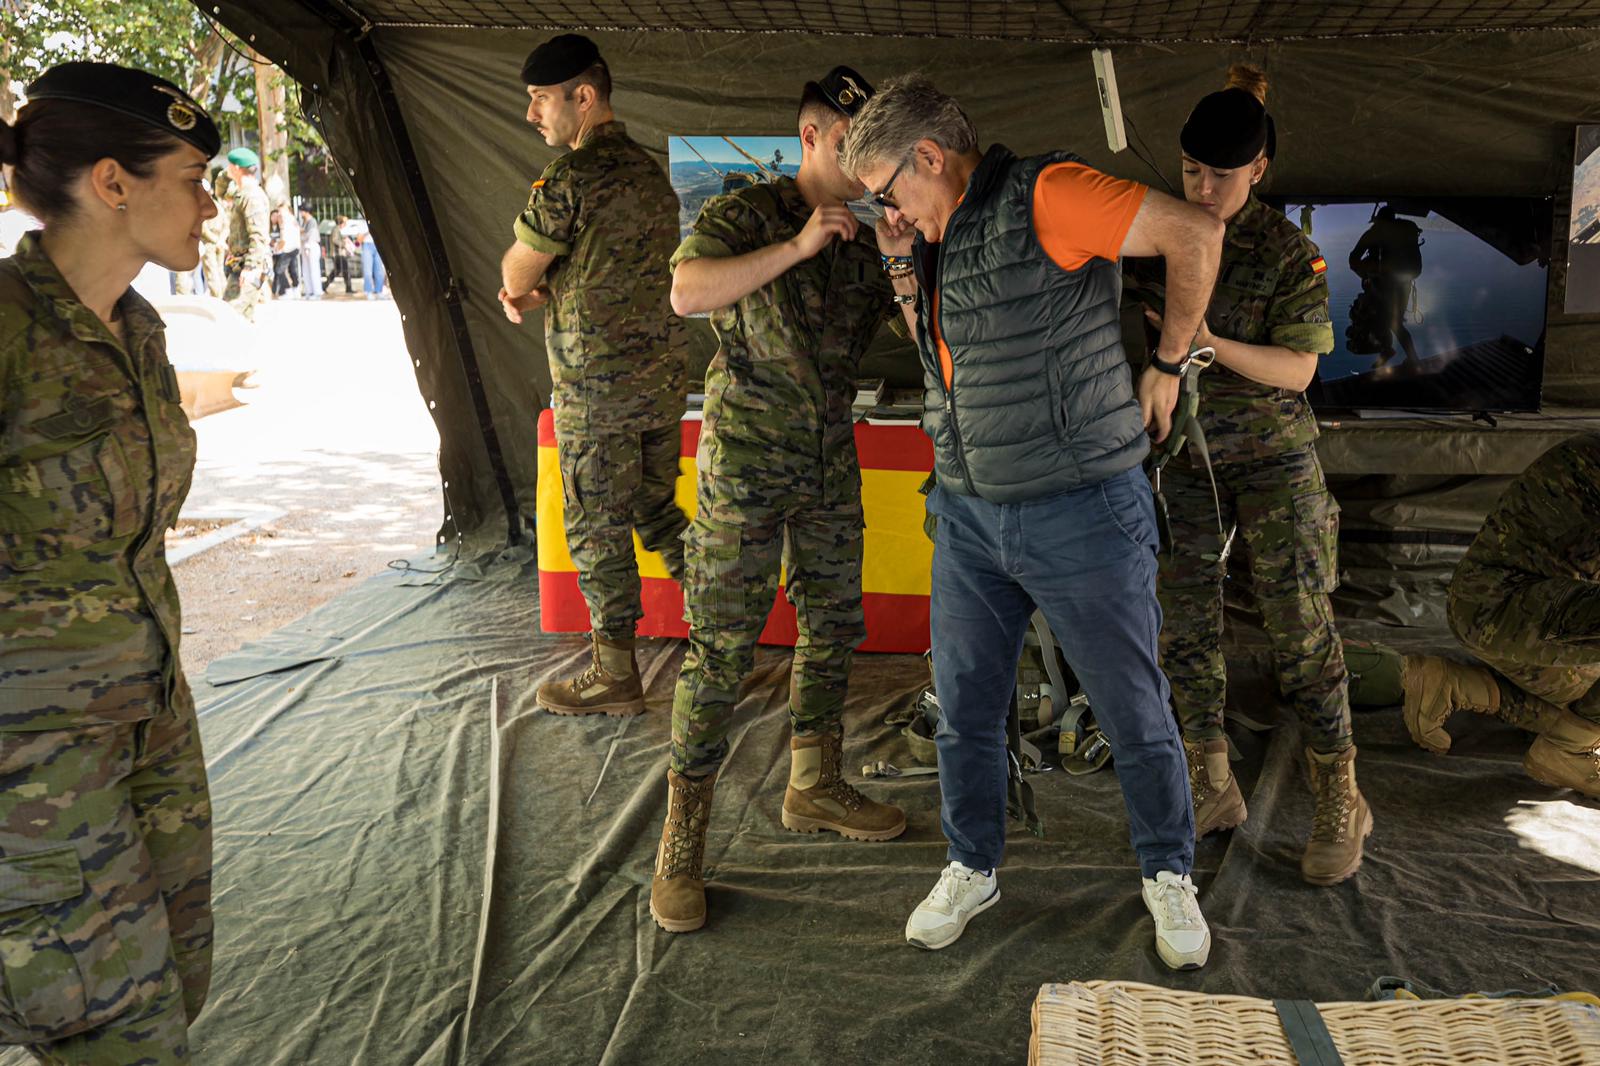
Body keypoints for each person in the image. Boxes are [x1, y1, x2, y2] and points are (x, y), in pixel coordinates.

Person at [842, 74, 1222, 968]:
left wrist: (1168, 362)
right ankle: (973, 861)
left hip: (1081, 506)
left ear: (929, 156)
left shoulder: (1048, 194)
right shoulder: (940, 234)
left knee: (1131, 706)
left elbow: (1195, 234)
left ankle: (1168, 873)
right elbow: (944, 354)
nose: (885, 208)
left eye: (889, 191)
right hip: (970, 512)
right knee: (966, 708)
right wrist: (903, 258)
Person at [647, 66, 906, 937]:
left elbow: (924, 333)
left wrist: (907, 258)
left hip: (829, 460)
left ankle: (813, 782)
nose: (862, 157)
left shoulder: (873, 240)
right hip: (746, 465)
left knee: (834, 625)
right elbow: (686, 293)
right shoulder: (746, 214)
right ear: (810, 135)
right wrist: (797, 246)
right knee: (720, 648)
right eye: (848, 139)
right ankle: (683, 837)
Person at [0, 61, 218, 1065]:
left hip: (151, 723)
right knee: (113, 1030)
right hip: (36, 771)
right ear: (112, 181)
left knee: (180, 976)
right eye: (191, 174)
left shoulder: (138, 330)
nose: (211, 204)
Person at [1122, 65, 1372, 886]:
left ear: (1258, 170)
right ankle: (1211, 780)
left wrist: (1204, 345)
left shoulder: (1285, 253)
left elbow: (1299, 370)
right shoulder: (1159, 232)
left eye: (1220, 175)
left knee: (1301, 629)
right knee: (1184, 625)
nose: (1201, 188)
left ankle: (1340, 792)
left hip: (1272, 461)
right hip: (1188, 460)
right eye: (1191, 170)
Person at [499, 34, 689, 719]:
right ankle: (723, 625)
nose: (533, 116)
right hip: (659, 385)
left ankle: (614, 673)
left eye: (542, 100)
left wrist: (521, 288)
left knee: (598, 527)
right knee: (656, 510)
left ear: (585, 97)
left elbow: (519, 267)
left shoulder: (573, 181)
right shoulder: (648, 173)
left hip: (597, 393)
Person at [1400, 433, 1600, 798]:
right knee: (1588, 716)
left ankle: (1459, 685)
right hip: (1505, 607)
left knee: (1585, 704)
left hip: (1521, 620)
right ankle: (1571, 746)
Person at [222, 146, 270, 320]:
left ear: (235, 168)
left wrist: (250, 267)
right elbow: (220, 190)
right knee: (242, 320)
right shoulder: (242, 193)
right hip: (240, 264)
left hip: (249, 266)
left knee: (231, 317)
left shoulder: (252, 196)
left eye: (229, 166)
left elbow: (258, 235)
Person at [198, 173, 230, 299]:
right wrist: (221, 240)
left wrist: (217, 240)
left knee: (212, 274)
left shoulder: (203, 207)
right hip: (219, 242)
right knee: (220, 272)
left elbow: (203, 229)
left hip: (210, 243)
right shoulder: (218, 206)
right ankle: (225, 298)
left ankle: (218, 299)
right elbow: (226, 225)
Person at [325, 214, 356, 293]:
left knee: (336, 271)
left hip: (337, 254)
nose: (345, 225)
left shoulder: (337, 229)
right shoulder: (336, 229)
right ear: (341, 223)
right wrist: (343, 243)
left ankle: (324, 285)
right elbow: (335, 240)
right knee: (345, 271)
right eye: (344, 223)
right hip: (338, 254)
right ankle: (348, 288)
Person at [298, 205, 323, 300]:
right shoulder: (305, 222)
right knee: (306, 270)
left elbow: (311, 234)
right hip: (305, 246)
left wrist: (308, 247)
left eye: (301, 211)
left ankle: (317, 292)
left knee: (314, 269)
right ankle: (310, 291)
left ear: (306, 211)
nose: (300, 213)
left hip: (311, 245)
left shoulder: (312, 221)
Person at [360, 230, 386, 299]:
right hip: (367, 245)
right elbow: (358, 240)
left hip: (378, 244)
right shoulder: (362, 224)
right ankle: (368, 291)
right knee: (368, 271)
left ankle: (379, 291)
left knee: (380, 271)